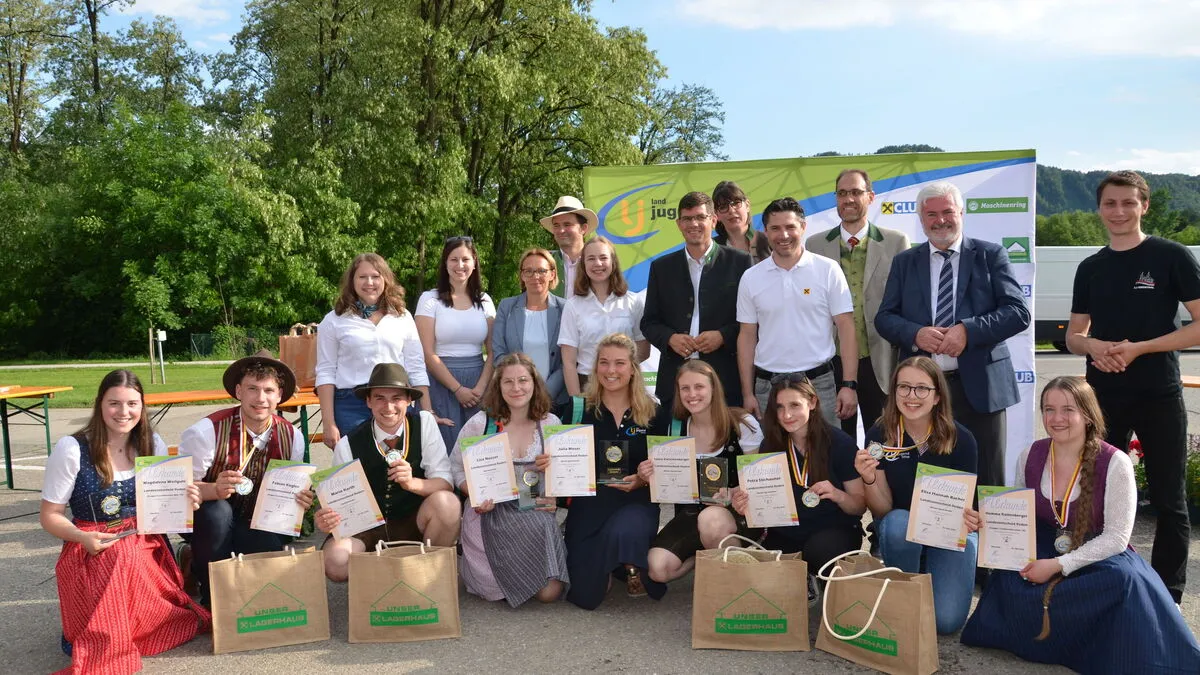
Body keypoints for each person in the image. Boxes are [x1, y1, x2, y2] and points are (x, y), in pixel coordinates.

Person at [962, 377, 1200, 672]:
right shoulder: (1030, 455)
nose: (1056, 418)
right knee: (1010, 574)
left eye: (1068, 410)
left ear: (1088, 415)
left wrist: (1058, 565)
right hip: (1044, 542)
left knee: (1124, 581)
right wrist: (986, 521)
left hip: (1097, 551)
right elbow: (1021, 515)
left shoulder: (1115, 462)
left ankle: (1089, 645)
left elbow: (1116, 538)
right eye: (1049, 409)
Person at [1066, 170, 1200, 604]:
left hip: (1159, 394)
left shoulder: (1171, 256)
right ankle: (1103, 582)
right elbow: (1074, 336)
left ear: (1144, 205)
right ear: (1099, 209)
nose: (1119, 211)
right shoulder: (1090, 267)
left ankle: (1166, 595)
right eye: (1110, 203)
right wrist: (1093, 345)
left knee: (1169, 499)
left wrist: (1140, 348)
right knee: (1098, 495)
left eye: (1128, 202)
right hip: (1102, 398)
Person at [40, 370, 210, 673]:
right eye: (114, 403)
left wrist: (186, 501)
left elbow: (162, 507)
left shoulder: (151, 443)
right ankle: (113, 631)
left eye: (132, 404)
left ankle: (131, 624)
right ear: (100, 405)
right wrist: (81, 537)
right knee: (119, 554)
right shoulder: (72, 448)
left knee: (127, 553)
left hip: (143, 539)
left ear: (142, 406)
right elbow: (50, 516)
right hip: (90, 543)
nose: (124, 412)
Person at [875, 180, 1030, 491]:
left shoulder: (990, 255)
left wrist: (968, 331)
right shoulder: (905, 261)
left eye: (947, 212)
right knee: (931, 486)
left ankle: (983, 526)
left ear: (961, 212)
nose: (940, 220)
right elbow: (885, 318)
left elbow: (1018, 312)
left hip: (981, 390)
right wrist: (915, 334)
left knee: (986, 481)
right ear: (921, 219)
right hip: (923, 394)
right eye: (931, 214)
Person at [538, 333, 669, 609]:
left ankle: (628, 561)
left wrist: (643, 480)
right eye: (604, 362)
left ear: (633, 369)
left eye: (620, 363)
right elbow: (561, 463)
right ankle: (619, 564)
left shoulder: (654, 414)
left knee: (626, 531)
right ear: (595, 367)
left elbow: (666, 471)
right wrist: (548, 465)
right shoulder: (577, 410)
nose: (611, 370)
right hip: (590, 506)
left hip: (635, 502)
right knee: (585, 596)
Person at [855, 356, 979, 634]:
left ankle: (931, 571)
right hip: (901, 531)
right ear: (894, 391)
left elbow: (969, 509)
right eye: (904, 387)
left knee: (945, 622)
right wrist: (869, 478)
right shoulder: (880, 434)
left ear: (937, 396)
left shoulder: (962, 439)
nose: (912, 396)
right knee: (898, 523)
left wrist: (973, 518)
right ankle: (906, 593)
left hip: (948, 533)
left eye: (922, 388)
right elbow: (882, 510)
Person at [177, 350, 310, 606]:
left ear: (279, 396)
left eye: (269, 390)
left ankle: (196, 564)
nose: (261, 398)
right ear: (239, 391)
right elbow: (180, 491)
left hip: (255, 520)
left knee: (268, 544)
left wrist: (301, 499)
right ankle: (211, 597)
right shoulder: (206, 431)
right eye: (252, 389)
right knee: (217, 514)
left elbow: (289, 494)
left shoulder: (293, 436)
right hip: (208, 522)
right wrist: (213, 489)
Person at [316, 363, 460, 581]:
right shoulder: (348, 444)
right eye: (380, 398)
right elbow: (338, 503)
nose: (389, 406)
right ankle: (381, 581)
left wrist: (412, 483)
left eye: (397, 398)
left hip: (414, 522)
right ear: (368, 401)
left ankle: (426, 577)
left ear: (409, 400)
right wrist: (327, 519)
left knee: (448, 505)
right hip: (368, 528)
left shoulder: (424, 424)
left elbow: (445, 484)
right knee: (335, 561)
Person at [731, 373, 865, 603]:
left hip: (833, 531)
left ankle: (821, 577)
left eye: (794, 405)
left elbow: (859, 505)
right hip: (786, 533)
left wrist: (838, 495)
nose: (787, 415)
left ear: (812, 402)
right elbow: (764, 506)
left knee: (820, 550)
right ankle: (801, 577)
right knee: (766, 572)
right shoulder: (770, 445)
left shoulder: (840, 443)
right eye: (780, 407)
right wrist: (746, 505)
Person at [450, 353, 569, 606]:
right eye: (508, 381)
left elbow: (565, 474)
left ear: (534, 384)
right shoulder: (481, 424)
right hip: (490, 514)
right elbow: (456, 469)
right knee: (499, 589)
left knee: (549, 594)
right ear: (498, 386)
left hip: (532, 510)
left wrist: (553, 492)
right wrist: (475, 494)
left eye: (523, 380)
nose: (516, 388)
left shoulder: (550, 423)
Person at [736, 197, 858, 427]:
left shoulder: (828, 270)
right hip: (767, 388)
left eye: (790, 227)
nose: (783, 235)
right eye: (775, 228)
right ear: (765, 231)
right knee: (771, 451)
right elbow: (747, 336)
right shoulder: (751, 278)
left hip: (819, 384)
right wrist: (747, 393)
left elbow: (846, 327)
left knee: (824, 449)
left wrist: (849, 385)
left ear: (803, 227)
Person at [806, 170, 910, 436]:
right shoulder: (815, 245)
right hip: (831, 362)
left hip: (881, 362)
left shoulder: (896, 242)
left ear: (871, 197)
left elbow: (907, 304)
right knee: (834, 442)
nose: (848, 199)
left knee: (882, 443)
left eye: (855, 192)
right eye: (842, 193)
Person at [641, 360, 763, 584]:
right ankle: (707, 557)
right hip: (693, 514)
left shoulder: (742, 423)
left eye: (699, 387)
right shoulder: (675, 428)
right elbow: (668, 482)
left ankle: (734, 582)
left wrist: (733, 493)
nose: (692, 394)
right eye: (685, 388)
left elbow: (758, 482)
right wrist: (648, 474)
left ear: (714, 388)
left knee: (712, 520)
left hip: (738, 515)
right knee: (657, 569)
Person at [641, 191, 752, 409]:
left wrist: (722, 336)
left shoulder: (740, 262)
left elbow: (750, 321)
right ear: (679, 223)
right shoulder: (661, 268)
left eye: (701, 217)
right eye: (687, 218)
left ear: (713, 220)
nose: (694, 224)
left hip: (725, 380)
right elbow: (649, 322)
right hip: (674, 382)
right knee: (676, 433)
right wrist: (670, 338)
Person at [316, 252, 433, 449]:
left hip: (394, 402)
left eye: (375, 276)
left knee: (398, 462)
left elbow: (416, 366)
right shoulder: (334, 320)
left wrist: (427, 413)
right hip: (350, 405)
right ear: (352, 281)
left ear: (385, 279)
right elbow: (325, 372)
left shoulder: (402, 316)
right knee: (357, 464)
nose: (369, 282)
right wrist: (329, 423)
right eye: (362, 277)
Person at [415, 236, 497, 450]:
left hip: (479, 384)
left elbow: (493, 350)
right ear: (445, 263)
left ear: (474, 262)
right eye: (454, 259)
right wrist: (457, 389)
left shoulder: (485, 301)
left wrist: (480, 388)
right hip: (441, 383)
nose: (460, 265)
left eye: (465, 259)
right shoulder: (429, 300)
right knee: (445, 448)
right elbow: (427, 352)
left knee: (480, 451)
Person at [558, 236, 649, 397]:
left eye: (603, 258)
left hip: (626, 385)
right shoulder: (573, 306)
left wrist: (620, 369)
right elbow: (569, 362)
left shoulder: (634, 302)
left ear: (613, 262)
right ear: (583, 264)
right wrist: (576, 401)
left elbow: (644, 349)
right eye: (591, 259)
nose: (598, 263)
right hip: (587, 385)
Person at [492, 248, 568, 405]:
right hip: (514, 397)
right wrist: (520, 389)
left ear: (552, 274)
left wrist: (544, 393)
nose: (535, 276)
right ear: (522, 275)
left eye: (542, 271)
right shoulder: (506, 307)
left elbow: (567, 361)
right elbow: (499, 353)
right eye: (529, 271)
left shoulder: (565, 309)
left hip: (554, 400)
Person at [541, 195, 596, 297]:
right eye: (556, 225)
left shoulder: (598, 263)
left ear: (583, 228)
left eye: (567, 224)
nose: (561, 230)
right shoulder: (544, 263)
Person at [712, 180, 769, 263]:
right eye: (723, 207)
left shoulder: (768, 241)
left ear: (747, 205)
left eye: (736, 203)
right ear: (716, 214)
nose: (731, 210)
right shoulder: (711, 249)